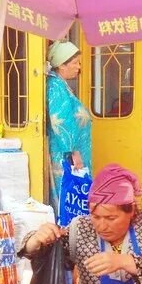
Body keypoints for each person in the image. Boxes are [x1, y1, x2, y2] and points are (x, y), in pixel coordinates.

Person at [46, 40, 92, 215]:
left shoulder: (59, 85)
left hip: (71, 152)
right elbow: (62, 122)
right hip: (67, 154)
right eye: (75, 63)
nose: (78, 67)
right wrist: (74, 151)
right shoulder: (56, 87)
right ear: (61, 65)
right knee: (70, 197)